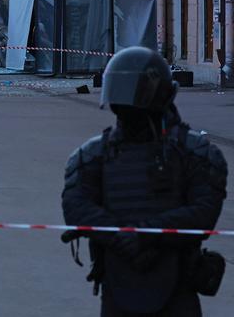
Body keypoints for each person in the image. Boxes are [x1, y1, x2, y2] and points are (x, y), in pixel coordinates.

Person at [61, 47, 228, 317]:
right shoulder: (96, 154)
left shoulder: (194, 152)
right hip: (120, 283)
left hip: (176, 284)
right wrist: (124, 236)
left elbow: (203, 213)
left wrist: (142, 234)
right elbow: (76, 207)